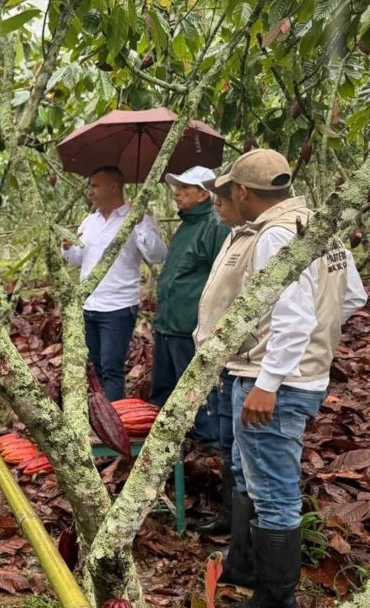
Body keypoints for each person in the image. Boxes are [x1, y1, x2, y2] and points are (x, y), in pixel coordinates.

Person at [197, 149, 366, 605]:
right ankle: (246, 570)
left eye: (229, 189)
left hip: (270, 381)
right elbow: (350, 297)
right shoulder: (316, 227)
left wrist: (269, 381)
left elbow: (293, 320)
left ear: (244, 191)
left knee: (273, 490)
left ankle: (275, 598)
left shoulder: (275, 236)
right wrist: (318, 348)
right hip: (282, 374)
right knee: (252, 476)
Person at [62, 166, 167, 400]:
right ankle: (99, 417)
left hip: (117, 307)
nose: (91, 192)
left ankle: (114, 423)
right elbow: (79, 260)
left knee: (112, 367)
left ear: (113, 186)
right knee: (94, 366)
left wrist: (138, 224)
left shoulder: (138, 218)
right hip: (89, 304)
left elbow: (157, 255)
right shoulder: (89, 222)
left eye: (95, 185)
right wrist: (67, 247)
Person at [150, 166, 230, 444]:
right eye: (177, 186)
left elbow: (223, 279)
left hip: (190, 327)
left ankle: (205, 452)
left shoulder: (215, 225)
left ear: (203, 194)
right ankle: (166, 451)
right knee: (165, 393)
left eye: (185, 188)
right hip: (167, 324)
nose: (177, 192)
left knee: (196, 396)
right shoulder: (186, 225)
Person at [187, 185, 244, 536]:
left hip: (249, 362)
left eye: (224, 197)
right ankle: (229, 520)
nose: (217, 203)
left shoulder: (270, 238)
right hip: (225, 358)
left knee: (245, 451)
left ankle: (244, 545)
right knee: (228, 442)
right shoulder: (234, 236)